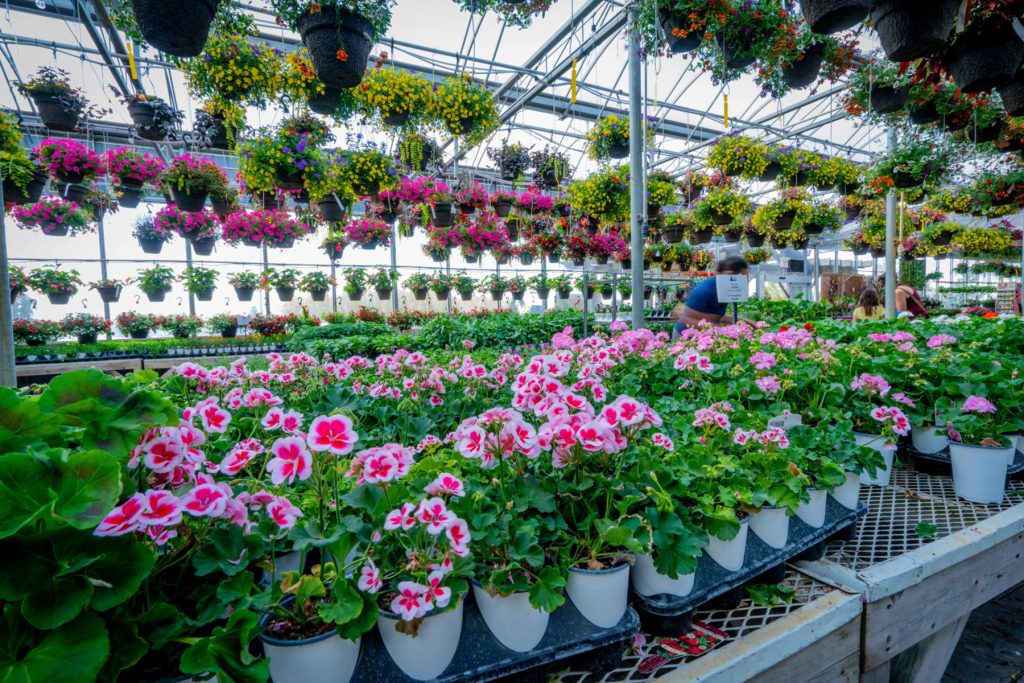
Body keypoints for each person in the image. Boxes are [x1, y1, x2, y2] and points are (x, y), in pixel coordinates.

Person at [673, 256, 749, 337]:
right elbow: (684, 319)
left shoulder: (723, 289)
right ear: (730, 274)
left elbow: (711, 315)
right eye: (743, 276)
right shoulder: (707, 289)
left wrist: (745, 321)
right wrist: (723, 331)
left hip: (702, 336)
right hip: (685, 337)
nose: (746, 280)